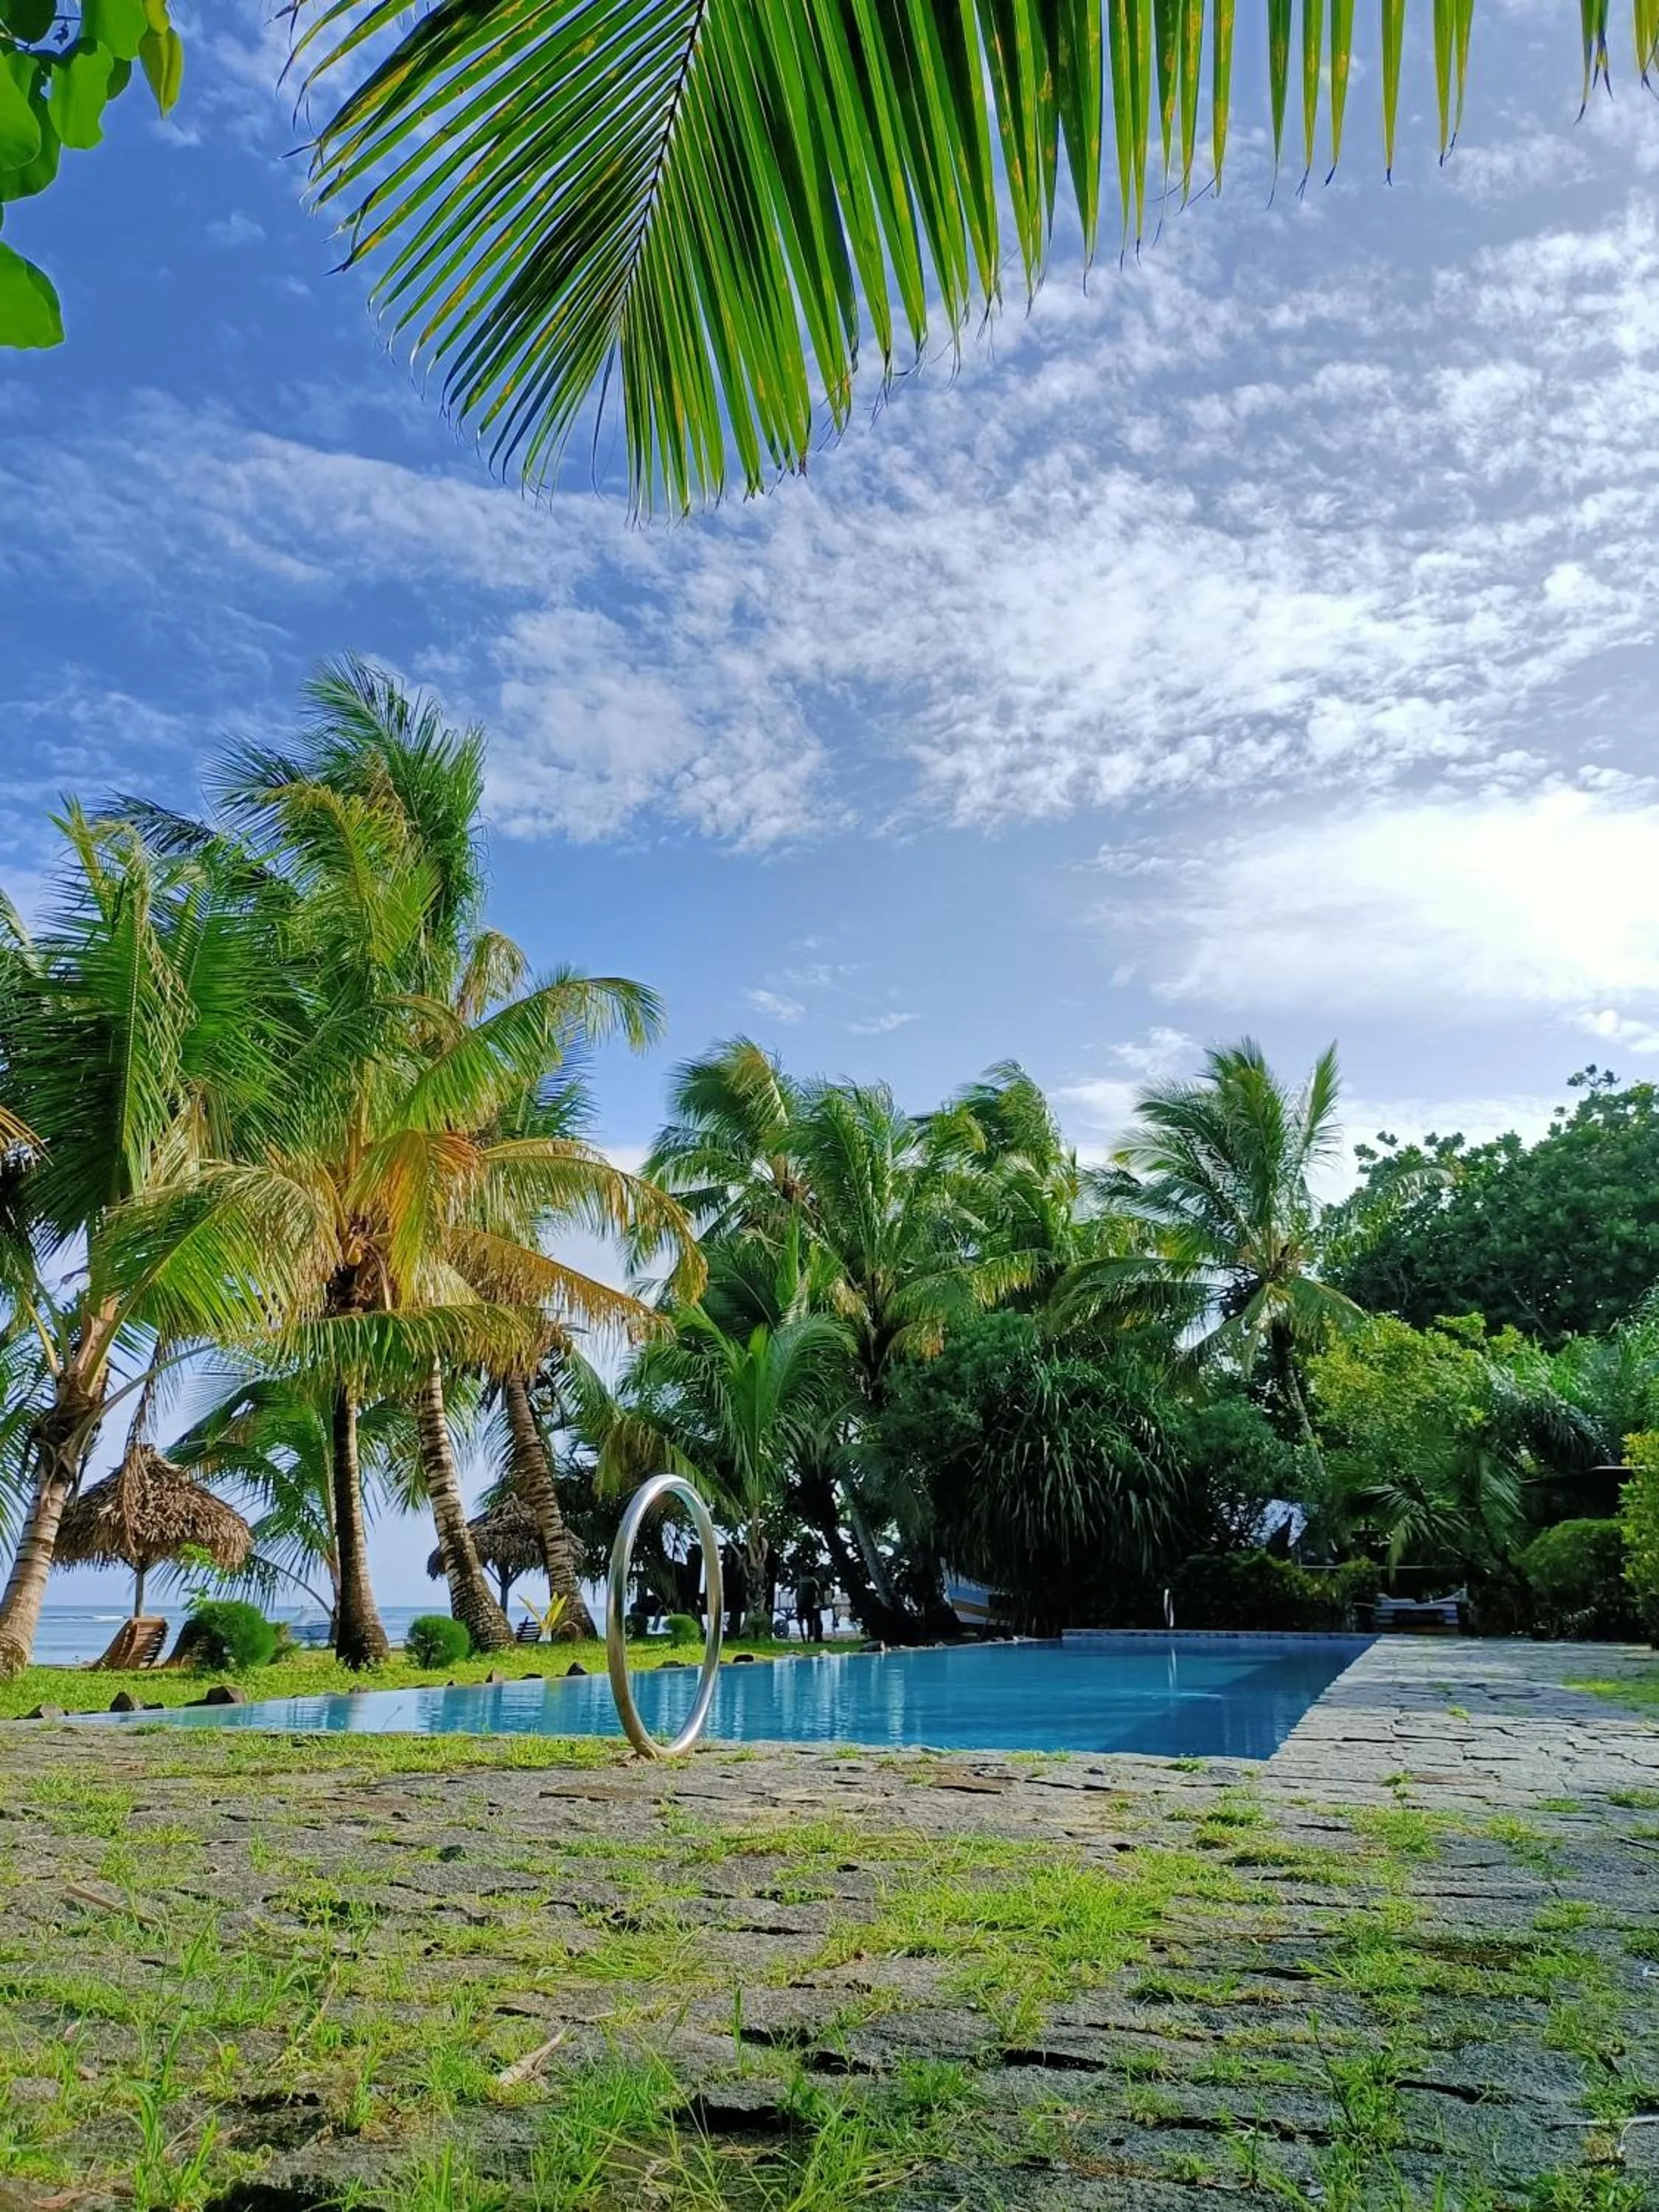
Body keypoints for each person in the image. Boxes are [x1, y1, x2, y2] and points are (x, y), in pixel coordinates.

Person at [794, 1570, 823, 1644]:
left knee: (801, 1621)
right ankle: (809, 1638)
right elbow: (819, 1592)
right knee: (810, 1621)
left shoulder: (800, 1581)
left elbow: (797, 1594)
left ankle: (803, 1638)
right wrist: (819, 1601)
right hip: (810, 1604)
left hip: (800, 1605)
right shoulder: (814, 1580)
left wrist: (798, 1604)